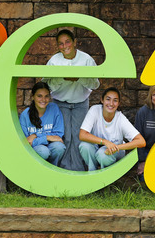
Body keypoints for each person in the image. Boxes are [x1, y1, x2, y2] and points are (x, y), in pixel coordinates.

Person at [45, 29, 100, 171]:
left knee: (78, 137)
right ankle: (62, 170)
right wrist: (62, 78)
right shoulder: (54, 61)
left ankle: (78, 169)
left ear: (75, 42)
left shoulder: (86, 59)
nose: (65, 46)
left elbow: (95, 84)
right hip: (60, 103)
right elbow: (47, 85)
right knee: (64, 137)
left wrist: (79, 78)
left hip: (81, 103)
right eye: (61, 44)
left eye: (67, 41)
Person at [78, 87, 145, 170]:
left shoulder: (120, 119)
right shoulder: (95, 110)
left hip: (115, 152)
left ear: (119, 103)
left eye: (115, 100)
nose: (111, 103)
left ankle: (105, 178)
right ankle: (92, 172)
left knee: (103, 154)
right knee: (84, 146)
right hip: (97, 148)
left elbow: (141, 141)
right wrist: (105, 142)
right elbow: (82, 135)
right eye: (108, 99)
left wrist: (117, 147)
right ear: (102, 100)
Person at [19, 81, 66, 166]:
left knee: (59, 147)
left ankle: (53, 170)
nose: (43, 100)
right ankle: (38, 172)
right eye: (39, 96)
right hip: (36, 148)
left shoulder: (54, 109)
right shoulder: (25, 115)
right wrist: (47, 137)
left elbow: (58, 135)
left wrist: (35, 135)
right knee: (43, 151)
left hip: (49, 145)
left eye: (46, 96)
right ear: (32, 97)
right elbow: (27, 142)